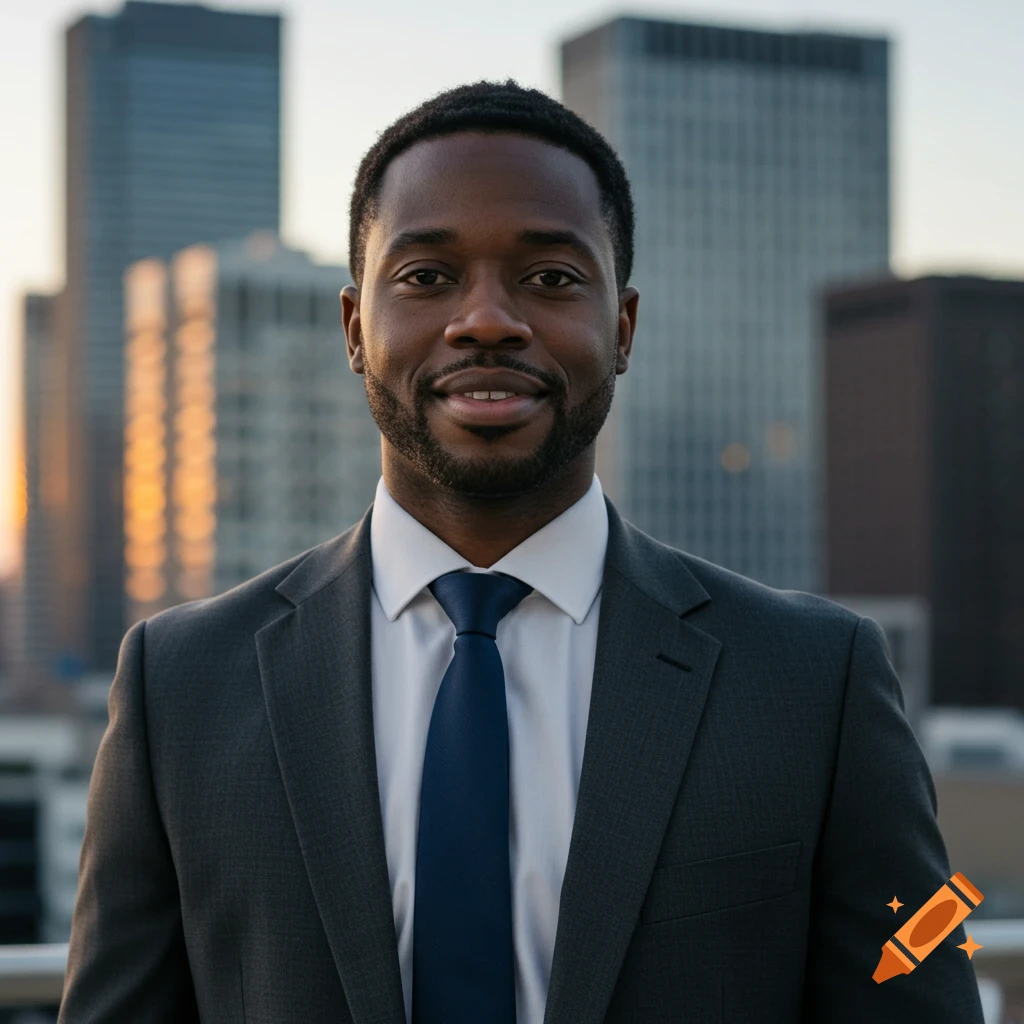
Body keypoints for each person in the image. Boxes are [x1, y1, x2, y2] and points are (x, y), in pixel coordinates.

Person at [59, 80, 984, 1024]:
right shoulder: (179, 686)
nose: (487, 319)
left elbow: (922, 987)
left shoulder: (815, 681)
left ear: (621, 328)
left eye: (549, 279)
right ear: (352, 330)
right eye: (426, 277)